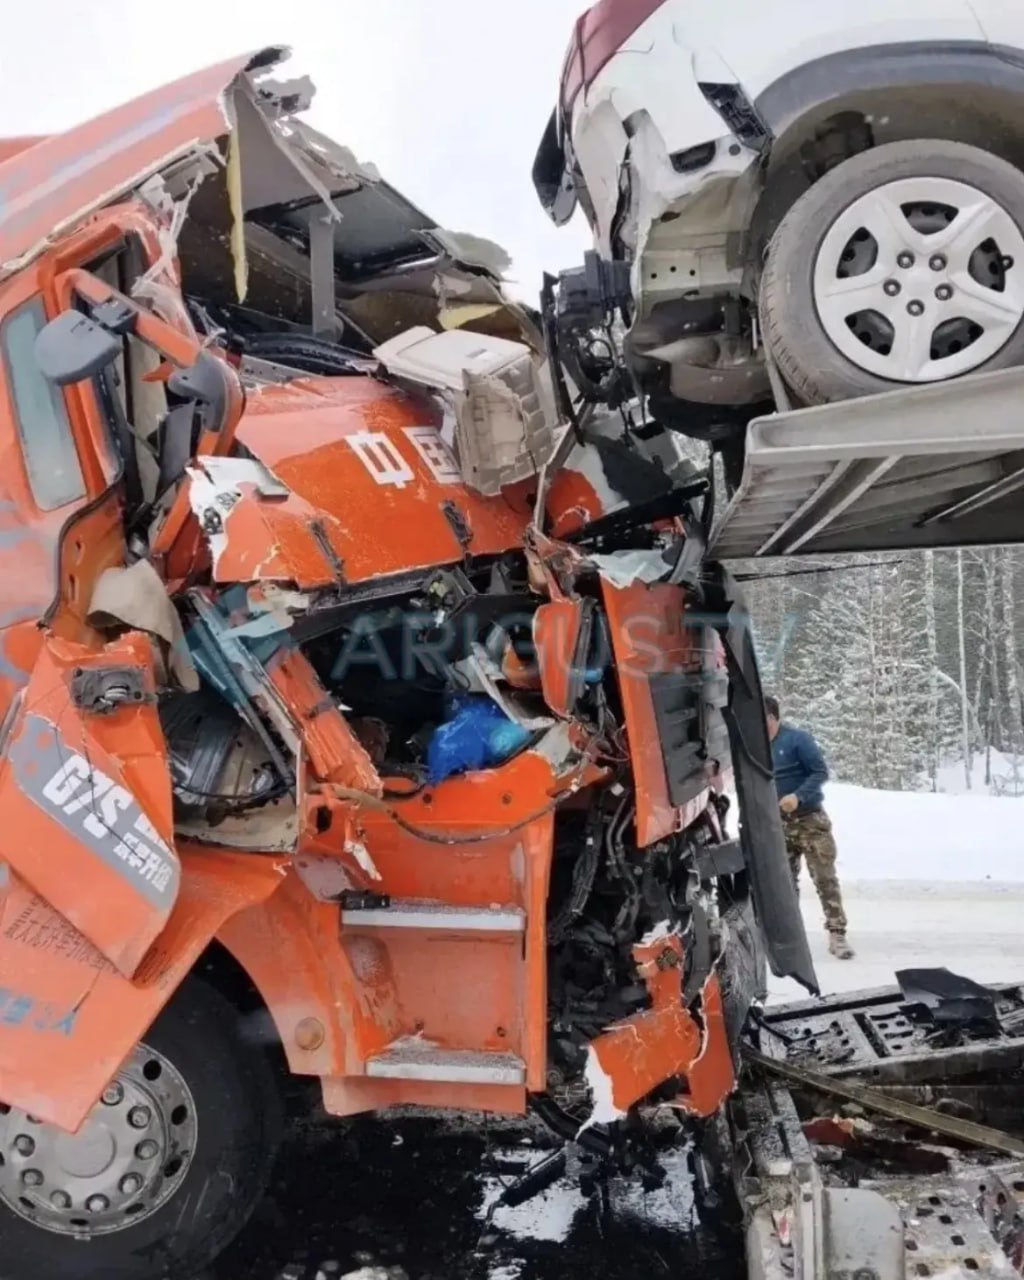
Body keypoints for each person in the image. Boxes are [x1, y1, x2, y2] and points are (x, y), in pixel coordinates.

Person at [765, 696, 854, 960]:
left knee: (824, 878)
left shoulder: (796, 739)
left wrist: (798, 796)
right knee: (783, 883)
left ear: (773, 717)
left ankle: (837, 933)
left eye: (763, 721)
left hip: (809, 820)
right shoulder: (756, 745)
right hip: (779, 823)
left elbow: (820, 772)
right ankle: (788, 937)